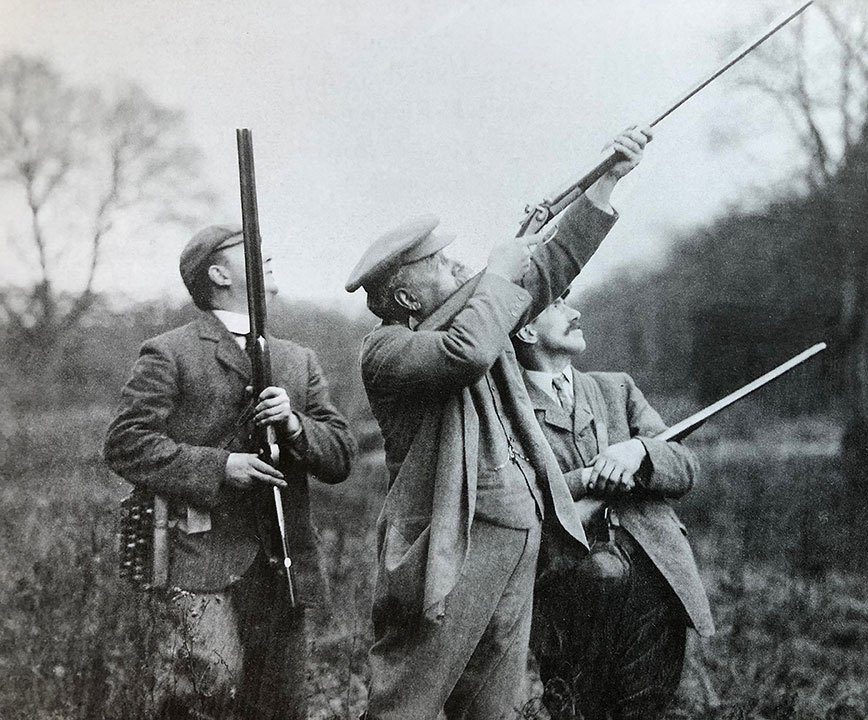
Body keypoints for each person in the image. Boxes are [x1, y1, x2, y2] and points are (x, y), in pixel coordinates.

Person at [344, 126, 651, 720]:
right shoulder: (385, 351)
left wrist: (605, 182)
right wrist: (500, 273)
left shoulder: (482, 313)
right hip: (450, 549)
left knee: (494, 708)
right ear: (406, 300)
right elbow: (466, 353)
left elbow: (550, 271)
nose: (457, 263)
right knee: (406, 702)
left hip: (518, 537)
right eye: (439, 262)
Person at [103, 225, 357, 720]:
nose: (266, 256)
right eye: (250, 252)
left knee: (280, 708)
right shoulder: (170, 351)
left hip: (283, 565)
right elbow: (126, 444)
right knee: (202, 698)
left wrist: (294, 423)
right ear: (218, 273)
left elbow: (341, 456)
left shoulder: (297, 359)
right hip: (201, 561)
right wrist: (221, 467)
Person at [512, 293, 715, 720]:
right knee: (579, 707)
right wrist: (586, 478)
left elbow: (684, 467)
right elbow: (513, 494)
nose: (575, 312)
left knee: (647, 706)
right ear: (527, 330)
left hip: (656, 577)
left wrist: (639, 452)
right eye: (558, 305)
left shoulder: (615, 388)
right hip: (571, 589)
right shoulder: (505, 410)